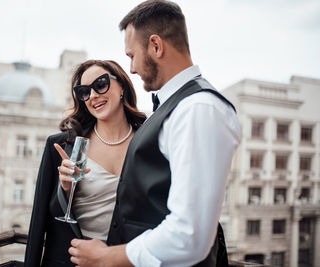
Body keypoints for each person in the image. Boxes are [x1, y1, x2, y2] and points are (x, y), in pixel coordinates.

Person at [68, 1, 241, 266]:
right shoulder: (181, 107)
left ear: (156, 46)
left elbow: (189, 235)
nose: (133, 68)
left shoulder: (198, 109)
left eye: (131, 56)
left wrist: (107, 257)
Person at [24, 59, 146, 266]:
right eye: (84, 92)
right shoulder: (63, 145)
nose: (93, 96)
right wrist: (65, 189)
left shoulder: (149, 143)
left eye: (100, 84)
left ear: (122, 87)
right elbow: (41, 220)